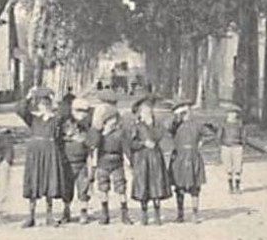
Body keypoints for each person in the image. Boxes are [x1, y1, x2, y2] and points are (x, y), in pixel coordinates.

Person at [19, 89, 65, 228]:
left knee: (50, 182)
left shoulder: (55, 119)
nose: (44, 106)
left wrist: (55, 98)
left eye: (46, 104)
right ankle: (31, 216)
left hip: (50, 152)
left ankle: (49, 216)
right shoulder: (33, 119)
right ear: (37, 106)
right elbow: (20, 110)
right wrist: (28, 96)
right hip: (35, 154)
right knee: (33, 182)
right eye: (41, 104)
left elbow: (63, 113)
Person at [126, 93, 171, 225]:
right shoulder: (136, 126)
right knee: (143, 186)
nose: (148, 113)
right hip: (142, 159)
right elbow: (131, 144)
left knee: (156, 185)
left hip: (155, 158)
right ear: (140, 113)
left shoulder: (157, 125)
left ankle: (157, 215)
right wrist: (142, 144)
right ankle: (144, 215)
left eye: (150, 110)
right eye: (145, 111)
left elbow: (160, 136)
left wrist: (152, 127)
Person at [89, 105, 132, 225]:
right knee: (103, 187)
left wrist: (130, 161)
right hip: (103, 162)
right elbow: (93, 145)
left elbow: (126, 148)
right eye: (110, 119)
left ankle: (124, 213)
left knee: (121, 187)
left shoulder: (120, 133)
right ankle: (104, 213)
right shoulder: (98, 133)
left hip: (117, 161)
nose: (112, 122)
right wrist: (100, 133)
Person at [165, 101, 208, 223]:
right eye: (183, 113)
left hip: (193, 156)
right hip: (179, 157)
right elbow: (166, 127)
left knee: (195, 186)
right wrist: (175, 116)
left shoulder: (197, 125)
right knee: (179, 187)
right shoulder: (175, 126)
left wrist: (202, 142)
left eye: (188, 111)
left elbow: (210, 134)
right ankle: (180, 214)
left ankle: (195, 213)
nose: (186, 115)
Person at [58, 97, 93, 225]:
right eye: (78, 111)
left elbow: (92, 143)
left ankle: (83, 211)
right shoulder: (65, 124)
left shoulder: (88, 126)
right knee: (66, 188)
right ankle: (66, 211)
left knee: (83, 188)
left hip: (82, 161)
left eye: (84, 111)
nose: (81, 114)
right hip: (67, 161)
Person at [218, 104, 246, 193]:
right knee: (228, 167)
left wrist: (242, 143)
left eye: (234, 113)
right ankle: (230, 186)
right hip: (226, 146)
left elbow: (243, 135)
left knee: (238, 167)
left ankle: (237, 186)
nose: (232, 115)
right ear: (227, 114)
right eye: (230, 113)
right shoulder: (223, 124)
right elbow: (219, 135)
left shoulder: (239, 124)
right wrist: (221, 144)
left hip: (237, 146)